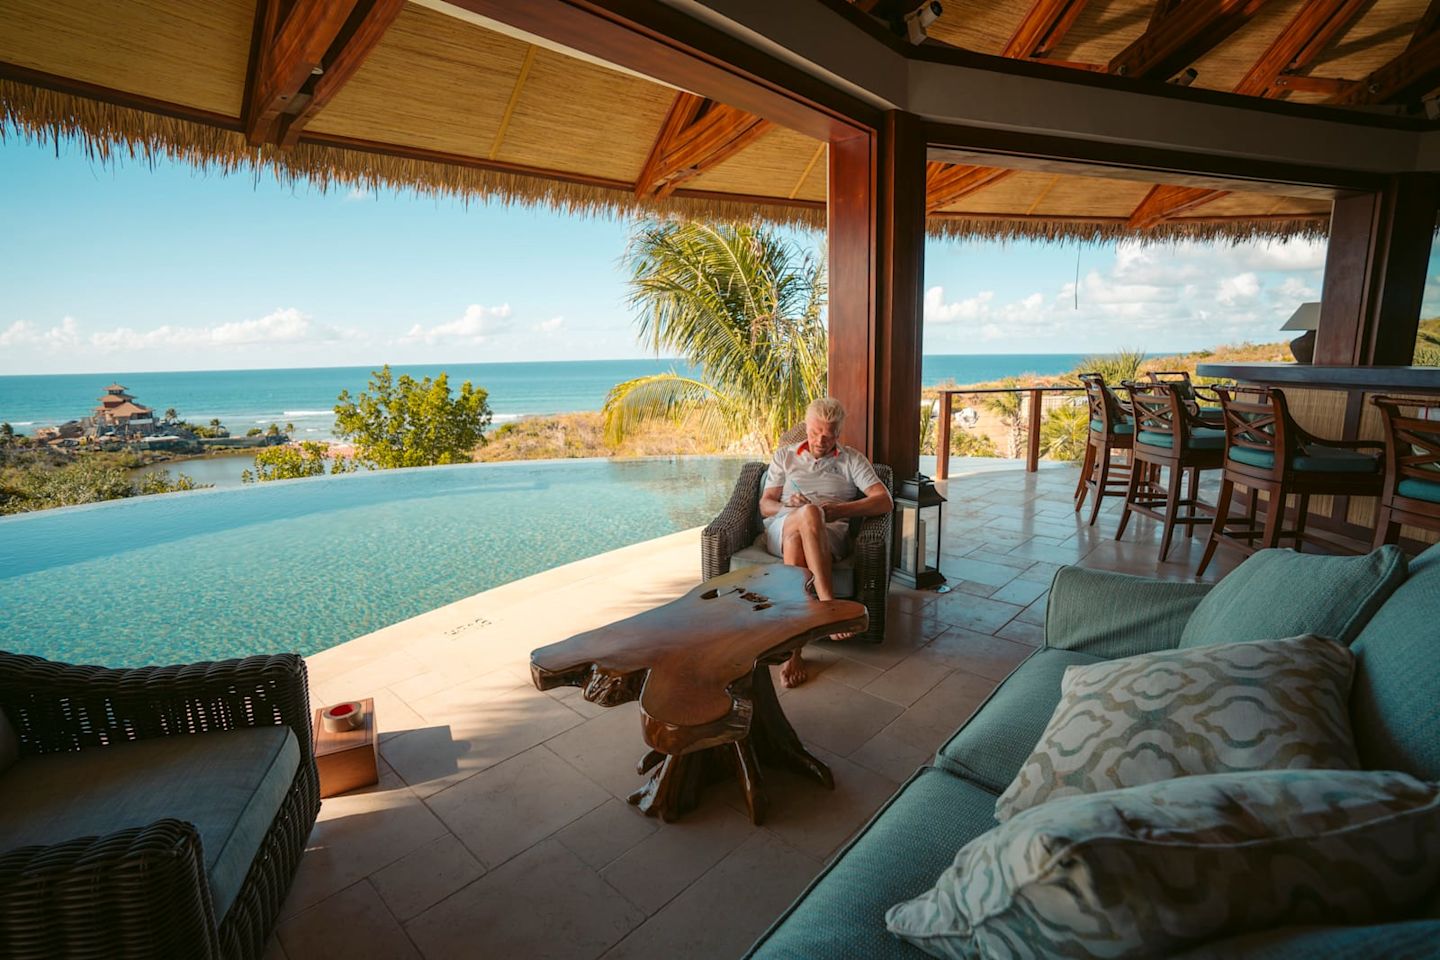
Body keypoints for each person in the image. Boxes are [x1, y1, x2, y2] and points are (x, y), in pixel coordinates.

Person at [760, 397, 893, 687]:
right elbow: (765, 505)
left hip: (828, 536)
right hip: (782, 527)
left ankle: (794, 652)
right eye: (814, 431)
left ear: (838, 433)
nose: (820, 439)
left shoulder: (852, 460)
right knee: (806, 514)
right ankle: (829, 606)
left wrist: (837, 510)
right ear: (806, 427)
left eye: (828, 433)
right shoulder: (785, 456)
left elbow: (885, 502)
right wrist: (790, 509)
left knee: (804, 531)